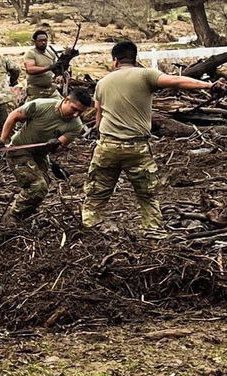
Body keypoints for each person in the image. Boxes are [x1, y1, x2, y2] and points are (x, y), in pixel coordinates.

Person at [82, 40, 217, 232]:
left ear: (115, 61)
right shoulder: (145, 75)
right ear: (135, 58)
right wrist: (209, 85)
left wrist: (99, 139)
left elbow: (99, 115)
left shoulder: (102, 83)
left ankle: (89, 229)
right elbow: (177, 81)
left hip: (107, 146)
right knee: (147, 195)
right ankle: (152, 233)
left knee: (96, 193)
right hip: (137, 147)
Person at [0, 87, 93, 225]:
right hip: (19, 150)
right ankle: (11, 218)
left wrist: (55, 145)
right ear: (65, 101)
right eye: (74, 109)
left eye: (80, 112)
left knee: (43, 187)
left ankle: (25, 214)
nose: (76, 115)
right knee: (37, 186)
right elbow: (14, 116)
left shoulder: (76, 126)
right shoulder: (42, 106)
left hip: (40, 155)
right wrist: (2, 140)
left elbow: (58, 148)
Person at [22, 29, 60, 99]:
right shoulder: (30, 53)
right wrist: (49, 67)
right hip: (35, 90)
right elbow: (30, 69)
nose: (43, 42)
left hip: (50, 89)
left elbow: (56, 69)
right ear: (34, 42)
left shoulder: (50, 53)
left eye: (45, 40)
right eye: (40, 41)